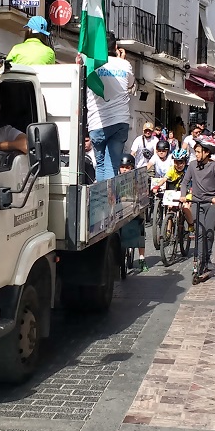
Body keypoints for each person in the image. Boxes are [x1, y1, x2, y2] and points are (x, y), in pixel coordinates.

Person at [85, 32, 134, 181]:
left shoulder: (90, 63)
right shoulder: (125, 64)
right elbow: (131, 84)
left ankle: (102, 194)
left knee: (100, 165)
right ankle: (108, 195)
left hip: (97, 122)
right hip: (120, 121)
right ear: (116, 47)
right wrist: (121, 60)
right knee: (112, 165)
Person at [178, 138, 215, 277]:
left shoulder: (214, 166)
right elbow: (185, 182)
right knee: (199, 232)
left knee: (209, 232)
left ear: (206, 152)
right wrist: (183, 195)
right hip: (196, 202)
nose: (196, 154)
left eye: (198, 152)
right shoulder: (192, 165)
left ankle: (207, 258)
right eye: (195, 152)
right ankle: (199, 260)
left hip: (210, 203)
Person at [117, 155, 148, 272]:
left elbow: (142, 192)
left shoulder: (137, 179)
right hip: (122, 209)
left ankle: (141, 258)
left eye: (127, 167)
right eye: (122, 167)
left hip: (135, 207)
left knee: (140, 231)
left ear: (132, 168)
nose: (124, 170)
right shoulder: (116, 180)